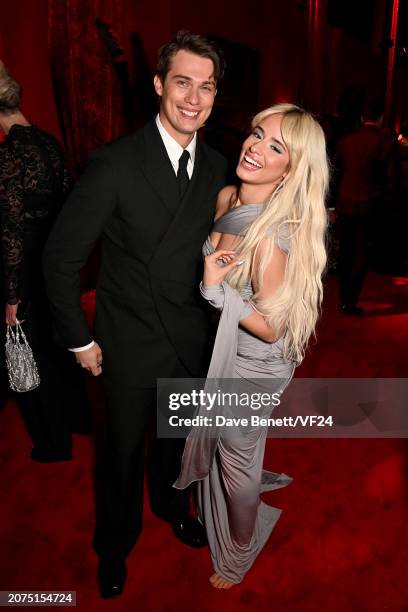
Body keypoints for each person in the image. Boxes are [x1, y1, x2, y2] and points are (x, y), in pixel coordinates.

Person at [43, 31, 228, 598]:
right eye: (182, 83)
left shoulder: (221, 167)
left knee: (176, 446)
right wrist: (79, 340)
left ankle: (171, 506)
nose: (193, 98)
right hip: (127, 346)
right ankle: (115, 544)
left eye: (206, 87)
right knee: (120, 457)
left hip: (190, 342)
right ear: (157, 85)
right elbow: (59, 258)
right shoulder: (115, 164)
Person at [174, 103, 329, 588]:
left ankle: (240, 551)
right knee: (234, 446)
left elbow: (272, 329)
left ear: (292, 168)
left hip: (255, 361)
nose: (256, 148)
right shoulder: (226, 197)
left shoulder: (268, 240)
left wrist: (214, 290)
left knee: (235, 462)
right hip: (230, 347)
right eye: (257, 134)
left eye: (275, 147)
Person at [0, 61, 90, 461]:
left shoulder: (9, 158)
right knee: (60, 348)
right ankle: (79, 419)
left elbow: (11, 236)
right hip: (57, 267)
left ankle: (54, 444)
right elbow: (72, 206)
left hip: (27, 274)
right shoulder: (50, 144)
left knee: (30, 358)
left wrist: (12, 298)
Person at [334, 98, 393, 314]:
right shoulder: (383, 142)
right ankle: (350, 300)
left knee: (346, 252)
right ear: (380, 118)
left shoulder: (346, 141)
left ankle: (343, 297)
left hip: (345, 203)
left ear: (361, 117)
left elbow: (336, 174)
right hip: (369, 205)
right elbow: (389, 177)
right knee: (362, 253)